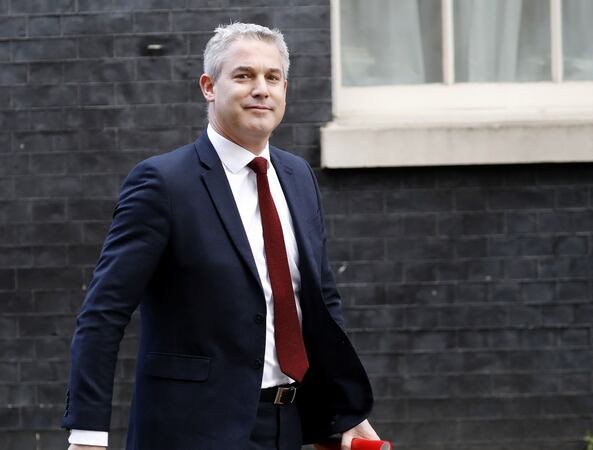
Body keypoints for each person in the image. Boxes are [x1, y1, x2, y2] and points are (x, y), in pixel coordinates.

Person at [64, 22, 378, 450]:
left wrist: (346, 411)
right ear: (209, 87)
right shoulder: (163, 183)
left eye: (272, 78)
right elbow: (103, 313)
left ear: (285, 88)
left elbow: (321, 300)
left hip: (289, 424)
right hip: (192, 430)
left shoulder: (298, 176)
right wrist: (87, 435)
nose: (261, 89)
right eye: (244, 75)